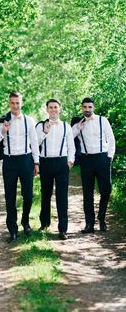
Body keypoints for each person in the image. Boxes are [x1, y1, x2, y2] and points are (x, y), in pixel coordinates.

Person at [0, 92, 39, 242]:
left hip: (26, 160)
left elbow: (34, 142)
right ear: (9, 104)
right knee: (9, 197)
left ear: (21, 103)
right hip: (9, 162)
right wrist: (3, 131)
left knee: (28, 196)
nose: (15, 106)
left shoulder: (29, 121)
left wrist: (36, 162)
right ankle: (12, 229)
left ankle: (25, 221)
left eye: (17, 103)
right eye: (12, 103)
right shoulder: (2, 122)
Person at [72, 97, 115, 233]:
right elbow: (69, 137)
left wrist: (109, 158)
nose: (87, 109)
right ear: (81, 108)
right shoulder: (77, 123)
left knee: (106, 190)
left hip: (103, 158)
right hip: (86, 160)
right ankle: (89, 224)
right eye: (85, 107)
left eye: (90, 107)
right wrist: (77, 128)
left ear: (93, 108)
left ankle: (101, 218)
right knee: (87, 193)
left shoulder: (103, 120)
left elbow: (111, 139)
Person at [36, 99, 75, 240]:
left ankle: (63, 229)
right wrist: (44, 132)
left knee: (62, 196)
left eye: (55, 107)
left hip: (61, 163)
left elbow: (71, 146)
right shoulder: (40, 125)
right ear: (47, 109)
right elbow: (34, 143)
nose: (53, 110)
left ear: (60, 109)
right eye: (50, 107)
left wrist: (70, 161)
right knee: (45, 194)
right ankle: (44, 223)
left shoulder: (67, 126)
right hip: (45, 163)